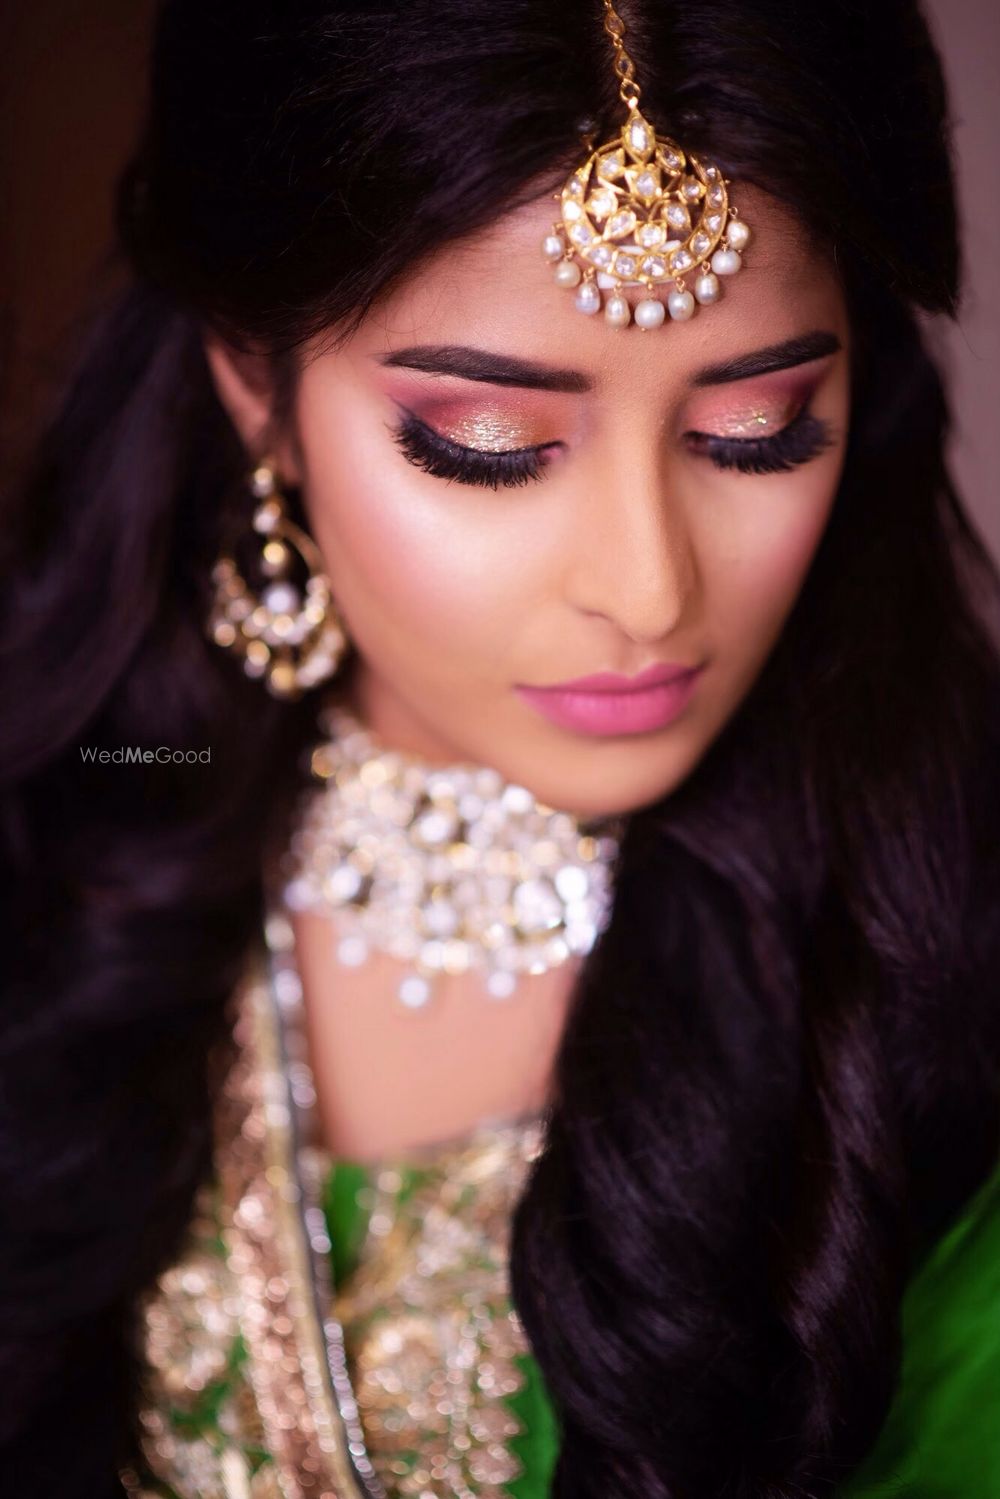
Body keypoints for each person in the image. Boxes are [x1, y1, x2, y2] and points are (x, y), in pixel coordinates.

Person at [1, 0, 999, 1495]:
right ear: (254, 388)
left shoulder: (946, 982)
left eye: (762, 426)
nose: (650, 588)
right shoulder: (70, 850)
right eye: (487, 442)